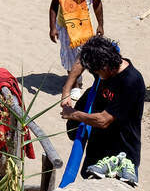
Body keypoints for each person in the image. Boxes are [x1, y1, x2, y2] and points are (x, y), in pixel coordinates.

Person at [61, 36, 145, 182]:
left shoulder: (131, 82)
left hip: (121, 153)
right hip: (97, 146)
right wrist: (66, 90)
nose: (97, 75)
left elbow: (103, 120)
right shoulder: (106, 63)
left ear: (105, 67)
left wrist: (73, 114)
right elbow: (82, 58)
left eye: (97, 72)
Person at [49, 0, 104, 97]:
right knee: (69, 56)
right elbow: (54, 6)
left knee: (86, 55)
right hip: (66, 25)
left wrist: (100, 25)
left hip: (85, 25)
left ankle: (80, 78)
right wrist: (52, 27)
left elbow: (97, 4)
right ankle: (75, 84)